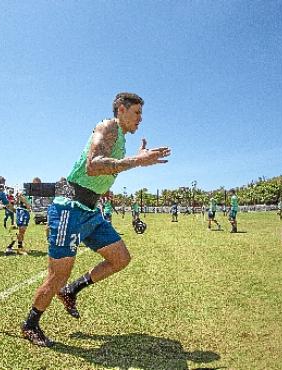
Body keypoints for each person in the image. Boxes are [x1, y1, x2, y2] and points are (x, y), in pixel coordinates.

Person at [21, 92, 171, 347]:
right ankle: (30, 324)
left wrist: (108, 186)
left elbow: (100, 173)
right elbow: (94, 165)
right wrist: (137, 160)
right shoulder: (108, 126)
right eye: (137, 113)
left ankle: (71, 291)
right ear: (121, 109)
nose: (140, 119)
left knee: (120, 258)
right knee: (59, 274)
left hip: (90, 210)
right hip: (69, 208)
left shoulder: (121, 138)